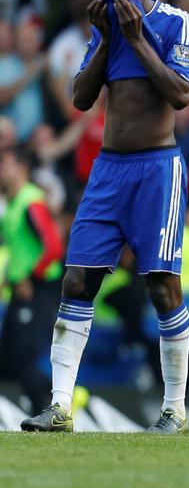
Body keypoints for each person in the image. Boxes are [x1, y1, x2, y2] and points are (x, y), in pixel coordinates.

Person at [22, 0, 189, 433]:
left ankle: (175, 409)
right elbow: (81, 99)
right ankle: (61, 407)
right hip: (108, 170)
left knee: (161, 286)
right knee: (77, 280)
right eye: (105, 1)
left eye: (119, 0)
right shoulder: (106, 29)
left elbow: (181, 94)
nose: (113, 9)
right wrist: (105, 38)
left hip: (158, 169)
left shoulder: (176, 24)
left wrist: (137, 40)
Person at [0, 147, 63, 411]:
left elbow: (53, 247)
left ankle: (50, 406)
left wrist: (29, 277)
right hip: (21, 287)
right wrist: (10, 277)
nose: (1, 170)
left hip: (39, 287)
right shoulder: (13, 203)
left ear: (22, 169)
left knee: (23, 352)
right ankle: (50, 401)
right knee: (8, 355)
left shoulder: (31, 201)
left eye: (5, 164)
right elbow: (20, 248)